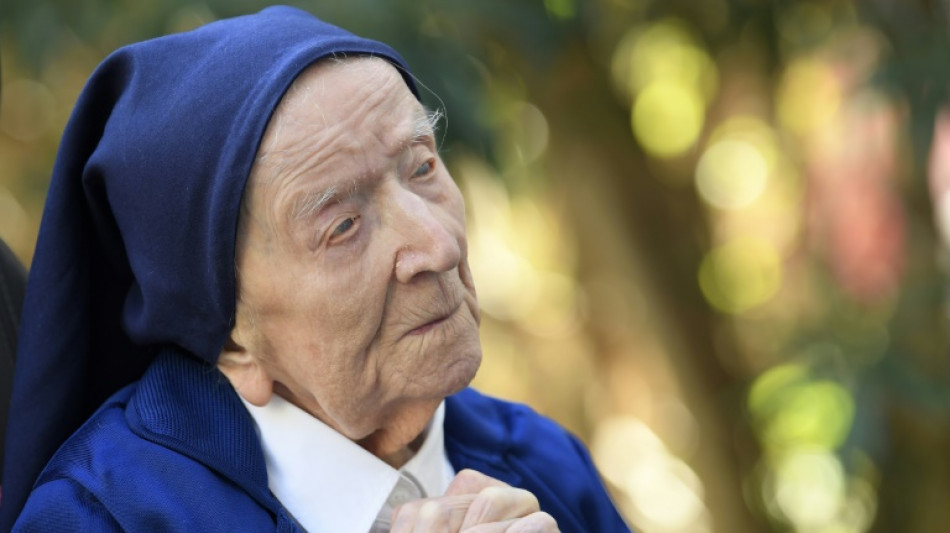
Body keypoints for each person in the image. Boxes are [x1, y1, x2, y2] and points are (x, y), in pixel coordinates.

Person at [0, 6, 630, 532]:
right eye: (343, 226)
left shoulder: (541, 460)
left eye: (422, 167)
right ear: (231, 340)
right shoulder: (104, 518)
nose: (438, 246)